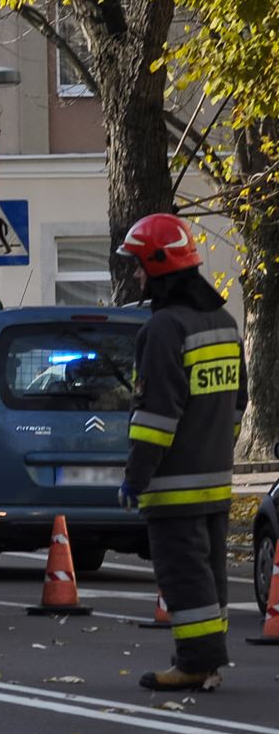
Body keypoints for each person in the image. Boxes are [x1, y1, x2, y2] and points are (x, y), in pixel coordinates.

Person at [118, 213, 246, 692]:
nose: (135, 275)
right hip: (216, 480)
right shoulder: (223, 322)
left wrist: (136, 477)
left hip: (173, 489)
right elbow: (237, 405)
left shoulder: (165, 329)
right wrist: (212, 446)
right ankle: (209, 659)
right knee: (209, 576)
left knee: (182, 578)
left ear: (159, 264)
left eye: (137, 265)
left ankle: (194, 663)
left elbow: (155, 418)